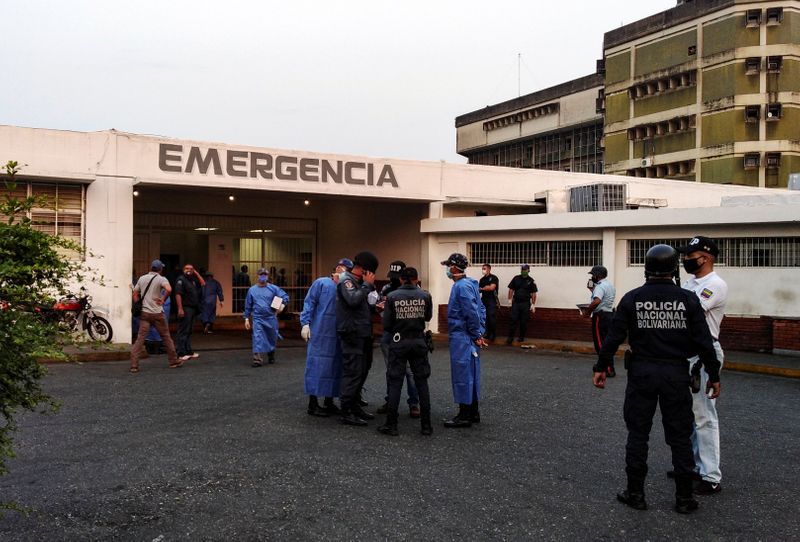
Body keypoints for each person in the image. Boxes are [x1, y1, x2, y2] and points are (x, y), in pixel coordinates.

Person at [592, 244, 721, 515]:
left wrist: (601, 366)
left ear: (646, 269)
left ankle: (635, 493)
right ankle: (684, 498)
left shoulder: (632, 298)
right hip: (676, 373)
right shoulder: (688, 299)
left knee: (638, 434)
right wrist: (714, 374)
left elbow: (614, 337)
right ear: (674, 269)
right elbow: (703, 340)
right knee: (680, 437)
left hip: (642, 373)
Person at [677, 235, 728, 495]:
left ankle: (710, 475)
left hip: (705, 352)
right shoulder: (689, 282)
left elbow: (687, 312)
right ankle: (695, 467)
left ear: (705, 257)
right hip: (688, 352)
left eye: (690, 255)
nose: (686, 259)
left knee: (705, 416)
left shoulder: (715, 284)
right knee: (690, 414)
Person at [378, 266, 434, 436]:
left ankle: (391, 424)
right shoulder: (425, 295)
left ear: (401, 279)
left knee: (395, 382)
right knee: (422, 383)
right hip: (418, 341)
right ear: (416, 279)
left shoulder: (392, 297)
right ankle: (426, 425)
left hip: (398, 341)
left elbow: (387, 325)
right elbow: (428, 317)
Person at [300, 258, 352, 417]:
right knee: (317, 366)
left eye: (346, 270)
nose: (342, 271)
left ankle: (329, 401)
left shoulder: (346, 287)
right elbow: (309, 303)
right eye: (341, 268)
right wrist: (305, 323)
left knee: (335, 367)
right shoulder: (321, 283)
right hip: (320, 333)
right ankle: (313, 404)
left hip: (338, 334)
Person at [441, 253, 486, 428]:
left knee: (462, 375)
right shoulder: (471, 284)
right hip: (469, 336)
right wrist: (479, 333)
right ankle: (473, 412)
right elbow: (480, 310)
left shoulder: (461, 287)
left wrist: (476, 334)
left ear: (453, 268)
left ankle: (465, 414)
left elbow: (471, 312)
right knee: (471, 374)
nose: (446, 270)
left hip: (463, 337)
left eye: (447, 266)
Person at [336, 251, 379, 426]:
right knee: (353, 372)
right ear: (365, 270)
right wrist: (367, 286)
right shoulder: (346, 280)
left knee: (362, 370)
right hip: (351, 333)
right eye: (371, 272)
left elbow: (362, 305)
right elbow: (353, 300)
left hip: (362, 333)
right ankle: (346, 411)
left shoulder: (359, 282)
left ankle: (355, 406)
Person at [375, 260, 421, 418]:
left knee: (410, 372)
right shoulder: (387, 288)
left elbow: (420, 313)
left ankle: (414, 403)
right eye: (392, 276)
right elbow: (380, 311)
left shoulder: (416, 290)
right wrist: (382, 310)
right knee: (391, 371)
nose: (394, 279)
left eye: (397, 276)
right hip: (390, 333)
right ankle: (390, 402)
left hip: (407, 333)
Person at [130, 260, 180, 373]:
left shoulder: (142, 278)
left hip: (145, 314)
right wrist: (163, 299)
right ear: (160, 269)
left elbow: (135, 293)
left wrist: (138, 304)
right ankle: (173, 361)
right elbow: (169, 289)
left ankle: (134, 365)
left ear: (151, 267)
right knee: (166, 337)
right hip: (157, 313)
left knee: (140, 339)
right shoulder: (161, 279)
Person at [243, 268, 289, 367]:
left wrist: (282, 305)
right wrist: (246, 318)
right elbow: (248, 305)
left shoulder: (273, 288)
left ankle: (271, 353)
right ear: (258, 276)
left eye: (265, 275)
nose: (263, 276)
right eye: (261, 274)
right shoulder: (252, 290)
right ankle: (257, 359)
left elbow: (285, 296)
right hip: (258, 318)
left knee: (271, 337)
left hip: (271, 318)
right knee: (257, 337)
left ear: (267, 276)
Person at [583, 265, 616, 377]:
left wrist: (587, 311)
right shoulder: (609, 285)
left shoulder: (600, 286)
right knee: (606, 343)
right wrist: (592, 290)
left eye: (593, 275)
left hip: (600, 317)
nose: (592, 277)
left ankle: (607, 369)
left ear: (597, 275)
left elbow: (597, 301)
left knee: (600, 344)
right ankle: (607, 367)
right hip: (609, 315)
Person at [174, 263, 205, 362]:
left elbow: (203, 283)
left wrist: (196, 273)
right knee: (183, 330)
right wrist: (180, 308)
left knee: (189, 330)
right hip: (185, 308)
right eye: (187, 268)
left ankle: (188, 351)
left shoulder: (192, 280)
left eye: (191, 269)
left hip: (193, 309)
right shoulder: (181, 279)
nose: (189, 270)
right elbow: (178, 294)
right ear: (183, 269)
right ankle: (181, 352)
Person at [506, 264, 538, 345]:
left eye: (525, 270)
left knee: (523, 321)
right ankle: (510, 337)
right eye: (522, 270)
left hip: (525, 303)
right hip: (516, 302)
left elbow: (534, 293)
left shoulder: (531, 281)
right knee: (513, 320)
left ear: (528, 270)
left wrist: (533, 304)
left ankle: (521, 337)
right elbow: (511, 289)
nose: (524, 271)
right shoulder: (516, 278)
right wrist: (509, 300)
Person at [478, 263, 499, 342]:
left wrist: (484, 288)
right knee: (484, 317)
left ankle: (493, 334)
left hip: (492, 300)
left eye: (485, 268)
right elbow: (479, 289)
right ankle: (487, 333)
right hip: (484, 300)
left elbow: (491, 288)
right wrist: (484, 288)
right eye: (482, 268)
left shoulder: (493, 278)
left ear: (489, 269)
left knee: (491, 317)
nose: (483, 270)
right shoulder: (482, 279)